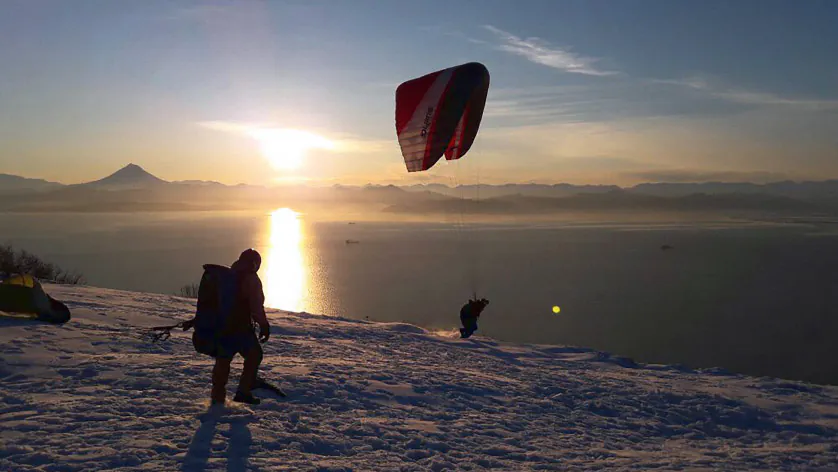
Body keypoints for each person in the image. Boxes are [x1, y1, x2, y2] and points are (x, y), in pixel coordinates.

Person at [210, 248, 271, 405]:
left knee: (223, 360)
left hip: (223, 326)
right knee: (255, 355)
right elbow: (256, 306)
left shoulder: (227, 275)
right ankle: (244, 390)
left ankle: (217, 397)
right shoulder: (251, 278)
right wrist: (264, 325)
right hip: (241, 327)